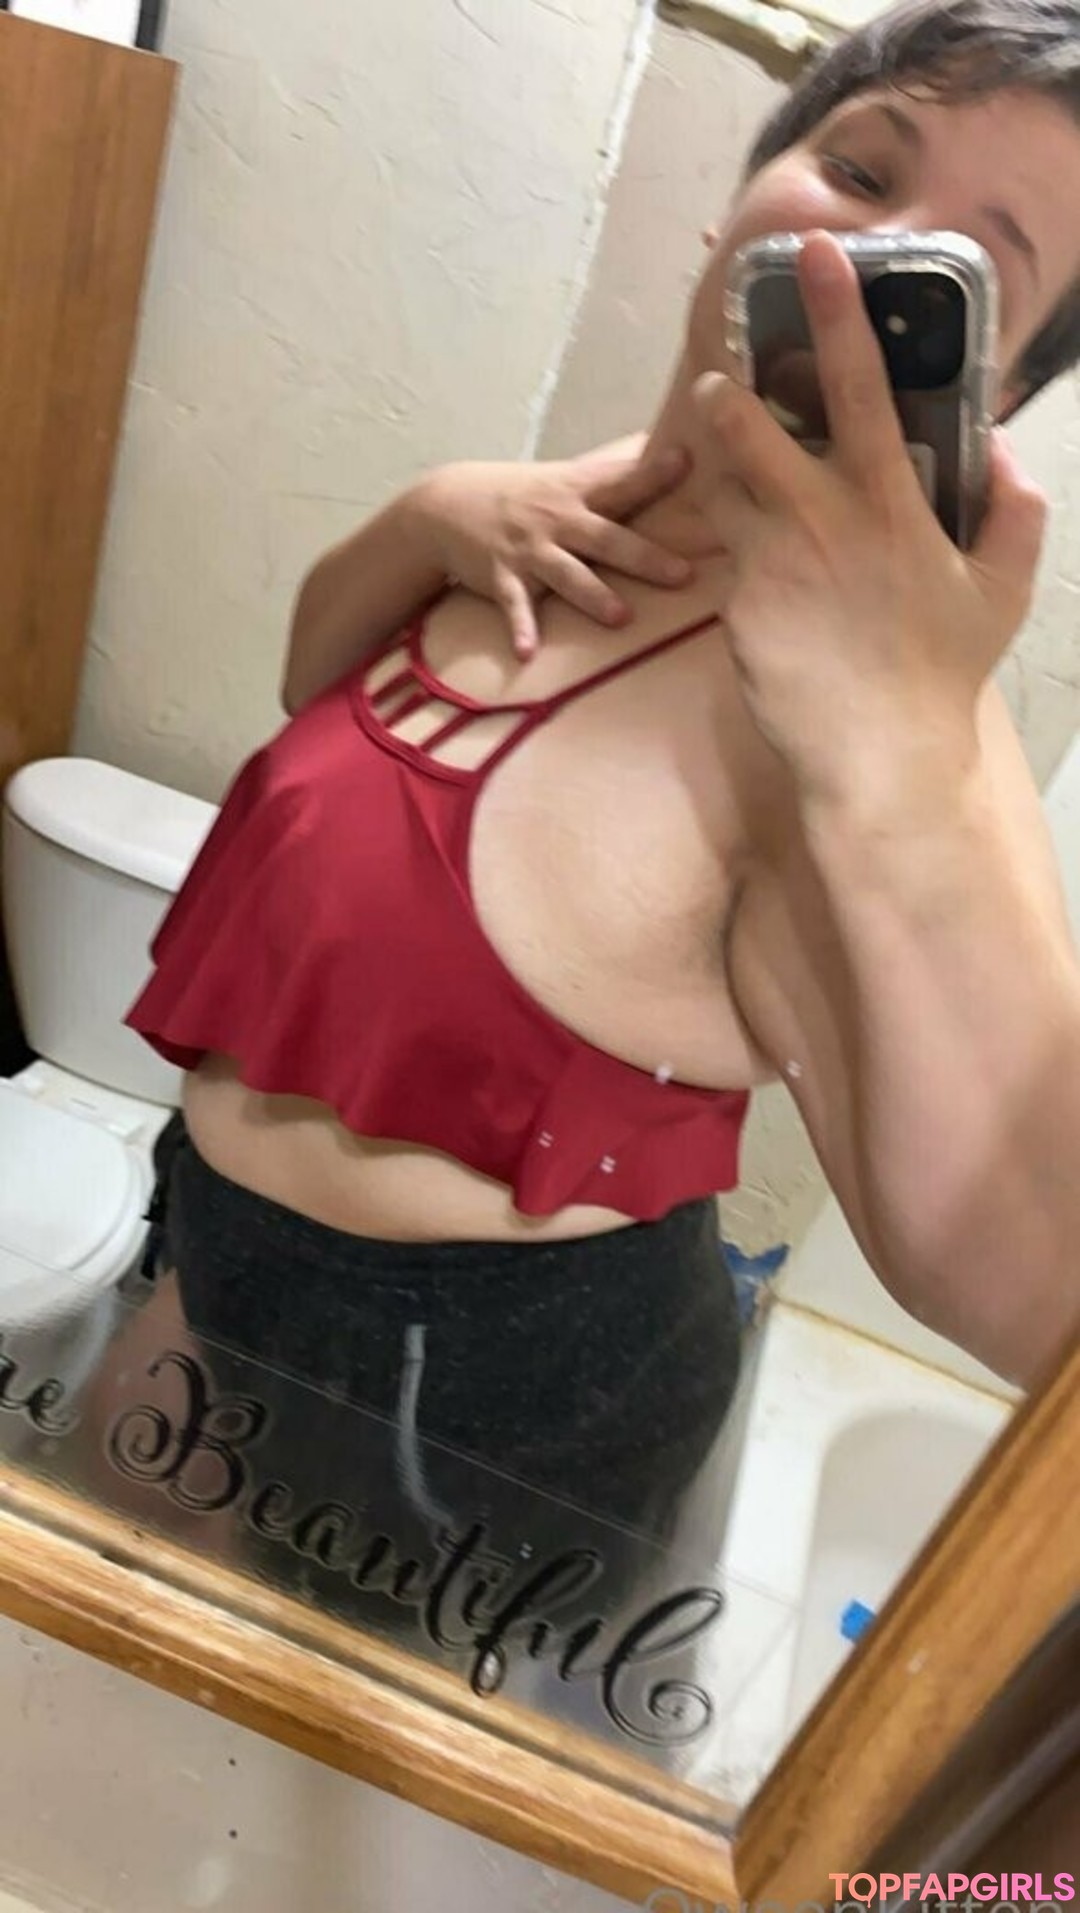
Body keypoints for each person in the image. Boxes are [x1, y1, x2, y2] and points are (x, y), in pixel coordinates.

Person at [127, 0, 1080, 1639]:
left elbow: (1037, 1286)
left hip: (482, 1401)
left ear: (991, 393)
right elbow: (305, 693)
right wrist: (428, 513)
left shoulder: (881, 730)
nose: (859, 261)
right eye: (861, 172)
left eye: (964, 268)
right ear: (736, 208)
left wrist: (910, 752)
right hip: (216, 1249)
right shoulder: (551, 507)